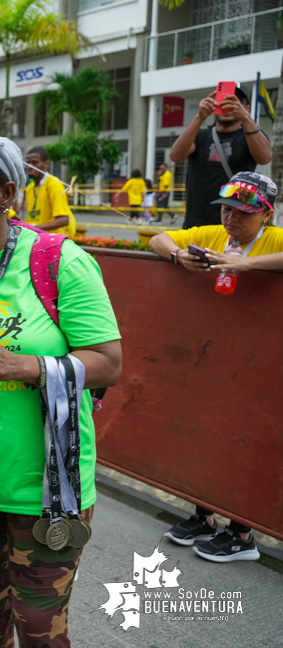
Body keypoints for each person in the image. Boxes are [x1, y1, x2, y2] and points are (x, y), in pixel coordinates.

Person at [0, 126, 122, 646]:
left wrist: (28, 366)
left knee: (39, 626)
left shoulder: (59, 262)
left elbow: (107, 363)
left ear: (8, 194)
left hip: (47, 488)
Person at [149, 171, 281, 562]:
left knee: (247, 436)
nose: (230, 218)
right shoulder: (213, 234)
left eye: (241, 212)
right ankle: (203, 517)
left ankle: (241, 534)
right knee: (206, 429)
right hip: (213, 356)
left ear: (266, 215)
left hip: (260, 362)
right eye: (226, 209)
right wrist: (177, 255)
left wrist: (247, 265)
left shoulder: (272, 240)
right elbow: (159, 237)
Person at [170, 82, 272, 230]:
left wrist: (245, 118)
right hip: (197, 222)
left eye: (233, 102)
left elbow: (265, 158)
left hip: (236, 223)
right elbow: (175, 156)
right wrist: (200, 117)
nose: (226, 107)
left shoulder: (251, 137)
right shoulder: (201, 135)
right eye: (222, 101)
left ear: (246, 108)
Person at [23, 146, 76, 237]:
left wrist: (36, 228)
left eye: (35, 163)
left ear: (46, 164)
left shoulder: (54, 184)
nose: (29, 166)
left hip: (53, 241)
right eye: (28, 163)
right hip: (35, 238)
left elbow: (64, 220)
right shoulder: (29, 187)